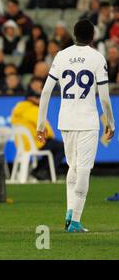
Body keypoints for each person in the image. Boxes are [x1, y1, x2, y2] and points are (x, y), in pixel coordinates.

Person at [37, 19, 115, 233]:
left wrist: (40, 124)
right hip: (88, 120)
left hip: (66, 121)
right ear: (92, 37)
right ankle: (76, 221)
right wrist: (111, 121)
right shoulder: (97, 58)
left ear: (74, 34)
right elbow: (105, 98)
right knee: (83, 170)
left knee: (73, 168)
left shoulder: (61, 56)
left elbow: (45, 92)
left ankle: (70, 213)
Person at [11, 85, 65, 180]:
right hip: (35, 142)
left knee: (54, 147)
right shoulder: (33, 109)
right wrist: (50, 136)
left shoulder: (18, 108)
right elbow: (44, 127)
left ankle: (38, 171)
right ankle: (44, 172)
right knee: (62, 147)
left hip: (23, 144)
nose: (39, 99)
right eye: (37, 97)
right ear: (30, 98)